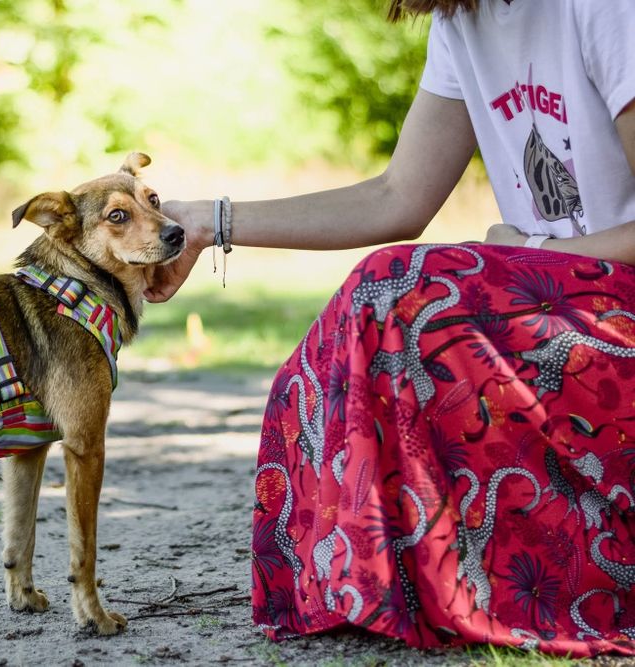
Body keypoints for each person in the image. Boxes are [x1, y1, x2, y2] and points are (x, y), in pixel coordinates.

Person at [148, 0, 635, 657]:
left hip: (613, 323)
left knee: (406, 290)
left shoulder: (601, 8)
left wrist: (527, 249)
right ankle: (368, 587)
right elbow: (396, 197)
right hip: (555, 309)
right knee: (340, 333)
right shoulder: (459, 22)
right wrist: (211, 222)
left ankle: (565, 583)